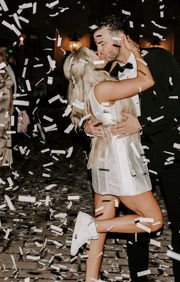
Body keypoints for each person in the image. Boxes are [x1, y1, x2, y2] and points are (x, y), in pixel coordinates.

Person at [85, 15, 180, 282]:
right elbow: (94, 108)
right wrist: (87, 126)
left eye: (102, 43)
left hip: (172, 153)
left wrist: (142, 122)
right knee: (137, 222)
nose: (99, 50)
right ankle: (139, 278)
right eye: (97, 45)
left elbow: (179, 104)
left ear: (121, 37)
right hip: (135, 157)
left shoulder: (158, 58)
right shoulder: (111, 73)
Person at [63, 44, 163, 282]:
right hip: (121, 163)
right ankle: (92, 227)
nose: (99, 54)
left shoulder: (87, 91)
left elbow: (89, 119)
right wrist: (135, 51)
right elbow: (146, 80)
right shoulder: (105, 87)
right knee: (153, 220)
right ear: (90, 64)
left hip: (103, 162)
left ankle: (91, 279)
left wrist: (88, 126)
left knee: (103, 223)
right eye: (93, 54)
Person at [0, 50, 14, 166]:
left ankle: (4, 159)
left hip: (4, 106)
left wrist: (11, 106)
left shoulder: (6, 72)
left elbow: (10, 89)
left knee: (4, 132)